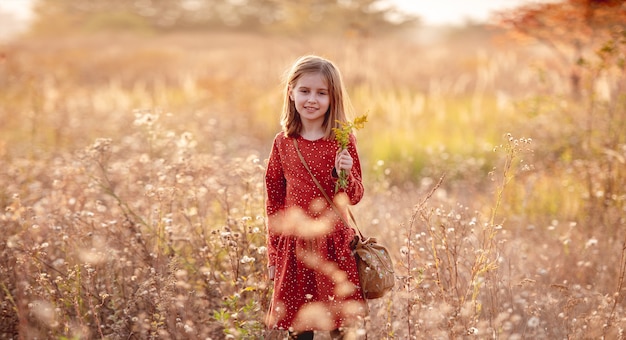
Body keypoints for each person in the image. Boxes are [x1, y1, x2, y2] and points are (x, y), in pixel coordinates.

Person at [264, 55, 367, 340]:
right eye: (305, 91)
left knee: (341, 327)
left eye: (322, 93)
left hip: (334, 244)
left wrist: (343, 173)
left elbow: (354, 196)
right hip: (295, 247)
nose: (312, 99)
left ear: (333, 98)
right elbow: (274, 202)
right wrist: (273, 255)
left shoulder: (342, 139)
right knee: (299, 329)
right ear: (291, 92)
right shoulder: (283, 142)